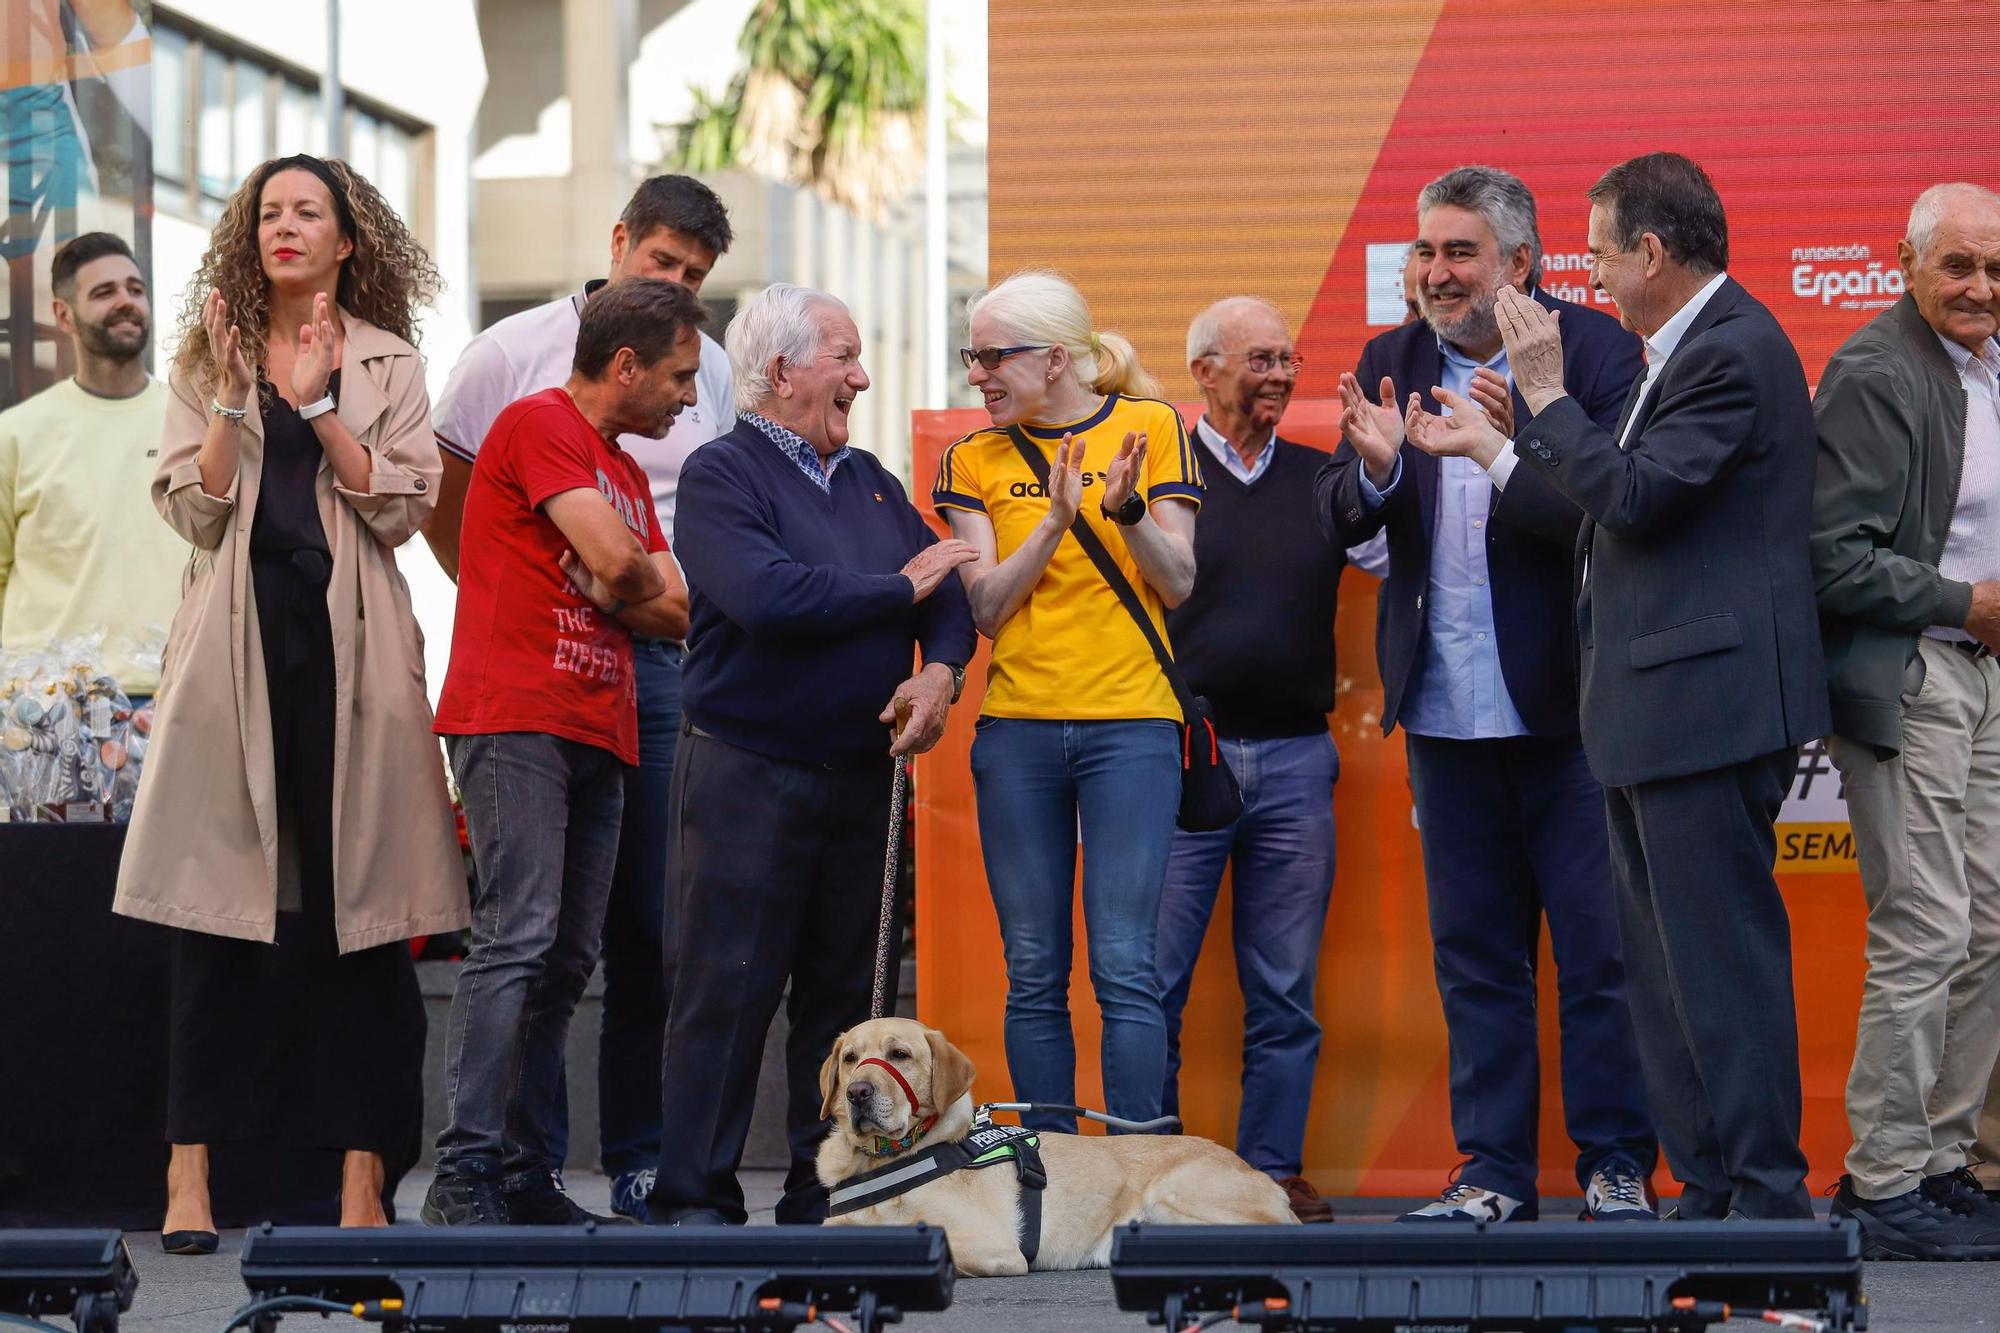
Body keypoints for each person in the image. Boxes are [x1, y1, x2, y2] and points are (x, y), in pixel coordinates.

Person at [1407, 151, 1830, 1219]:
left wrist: (1542, 397)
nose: (1589, 279)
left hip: (1707, 710)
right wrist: (1511, 449)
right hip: (1647, 712)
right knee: (1663, 970)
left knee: (1718, 965)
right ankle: (1707, 1182)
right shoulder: (1668, 354)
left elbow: (1633, 499)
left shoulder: (1730, 351)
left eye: (1597, 255)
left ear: (1649, 249)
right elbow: (1605, 514)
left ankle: (1768, 1199)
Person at [112, 154, 466, 1249]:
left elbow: (400, 508)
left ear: (348, 239)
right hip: (232, 650)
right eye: (269, 212)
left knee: (365, 925)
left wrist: (316, 406)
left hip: (354, 651)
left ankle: (363, 1178)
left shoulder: (389, 359)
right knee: (215, 920)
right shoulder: (204, 350)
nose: (286, 226)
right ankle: (188, 1175)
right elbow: (197, 511)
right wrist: (231, 394)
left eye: (309, 211)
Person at [1318, 165, 1656, 1223]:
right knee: (1475, 961)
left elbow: (1608, 522)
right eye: (1423, 252)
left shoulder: (1592, 354)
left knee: (1599, 955)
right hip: (1444, 714)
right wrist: (1372, 475)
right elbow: (1344, 512)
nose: (1433, 272)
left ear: (1519, 262)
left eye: (1457, 252)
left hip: (1571, 714)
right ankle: (1491, 1173)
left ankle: (1614, 1165)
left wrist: (1510, 447)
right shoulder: (1391, 359)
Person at [427, 174, 735, 1222]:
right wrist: (616, 575)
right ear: (624, 365)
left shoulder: (621, 465)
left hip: (599, 714)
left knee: (568, 953)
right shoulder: (541, 420)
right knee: (518, 936)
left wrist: (623, 579)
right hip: (516, 709)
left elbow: (674, 605)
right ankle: (467, 1171)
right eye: (680, 379)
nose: (691, 399)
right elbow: (625, 567)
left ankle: (526, 1173)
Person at [650, 282, 976, 1226]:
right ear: (783, 369)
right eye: (845, 356)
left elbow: (946, 591)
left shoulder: (871, 477)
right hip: (749, 772)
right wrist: (893, 590)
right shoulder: (722, 474)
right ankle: (694, 1200)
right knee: (727, 994)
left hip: (862, 779)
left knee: (843, 1004)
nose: (861, 376)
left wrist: (941, 672)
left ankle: (824, 1188)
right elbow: (770, 597)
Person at [934, 270, 1202, 1135]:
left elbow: (1181, 580)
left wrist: (1123, 512)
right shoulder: (972, 457)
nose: (977, 374)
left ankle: (1135, 1165)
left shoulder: (1151, 425)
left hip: (1132, 726)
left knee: (1126, 962)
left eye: (990, 357)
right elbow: (983, 608)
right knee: (1034, 965)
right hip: (1018, 733)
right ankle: (1048, 1164)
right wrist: (1052, 519)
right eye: (971, 357)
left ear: (1054, 359)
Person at [1811, 181, 2000, 1258]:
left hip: (1982, 673)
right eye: (1957, 265)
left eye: (1992, 269)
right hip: (1913, 670)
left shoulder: (1984, 365)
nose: (1979, 287)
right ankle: (1877, 1181)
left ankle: (1937, 1161)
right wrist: (1960, 604)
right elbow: (1831, 558)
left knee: (1981, 927)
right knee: (1924, 926)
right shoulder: (1873, 370)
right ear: (1903, 260)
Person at [1154, 296, 1344, 1222]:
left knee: (1284, 989)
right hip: (1180, 760)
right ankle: (1149, 1173)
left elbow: (1404, 563)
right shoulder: (1159, 472)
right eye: (1259, 358)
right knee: (1152, 985)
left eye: (1288, 356)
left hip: (1301, 760)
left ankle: (1272, 1171)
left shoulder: (1324, 479)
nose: (1280, 372)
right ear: (1203, 371)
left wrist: (1388, 473)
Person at [0, 231, 182, 698]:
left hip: (174, 697)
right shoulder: (16, 434)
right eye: (105, 292)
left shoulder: (194, 424)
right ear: (63, 315)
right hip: (47, 709)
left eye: (134, 289)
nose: (126, 302)